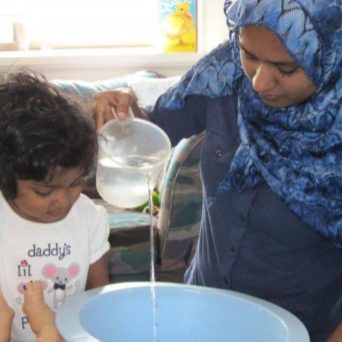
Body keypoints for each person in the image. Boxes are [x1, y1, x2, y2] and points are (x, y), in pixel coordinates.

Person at [93, 0, 342, 340]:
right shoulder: (223, 78)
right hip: (201, 310)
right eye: (249, 54)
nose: (258, 82)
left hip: (298, 328)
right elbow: (151, 126)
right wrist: (122, 106)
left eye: (285, 69)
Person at [0, 70, 110, 341]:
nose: (63, 201)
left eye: (74, 183)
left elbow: (99, 298)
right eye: (44, 191)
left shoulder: (88, 217)